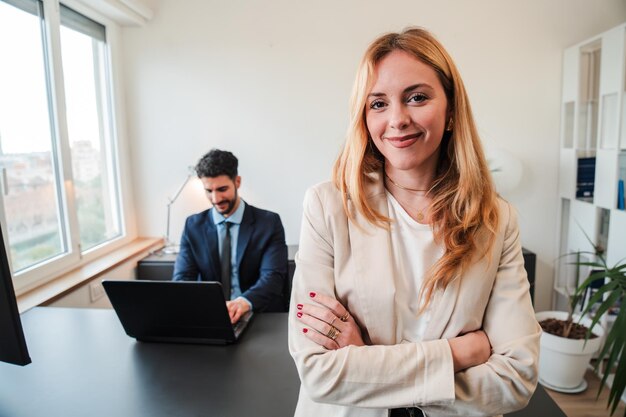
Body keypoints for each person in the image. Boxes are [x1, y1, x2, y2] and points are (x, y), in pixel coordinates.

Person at [288, 28, 540, 417]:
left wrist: (365, 361)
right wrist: (457, 354)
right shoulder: (327, 206)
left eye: (417, 97)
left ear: (452, 109)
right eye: (378, 104)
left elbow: (516, 378)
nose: (397, 119)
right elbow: (320, 374)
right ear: (364, 115)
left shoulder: (496, 219)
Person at [173, 149, 287, 323]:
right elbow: (182, 279)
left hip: (259, 313)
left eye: (222, 189)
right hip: (211, 315)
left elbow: (273, 278)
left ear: (237, 182)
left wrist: (243, 303)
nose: (216, 198)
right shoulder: (193, 225)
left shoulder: (269, 223)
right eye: (208, 191)